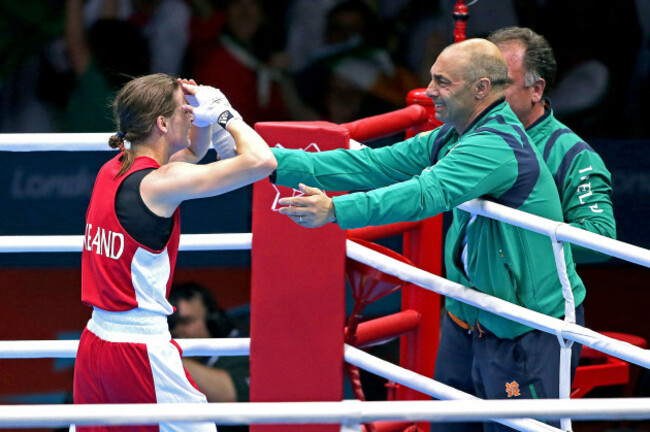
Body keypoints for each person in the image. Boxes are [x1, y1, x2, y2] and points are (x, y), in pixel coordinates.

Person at [272, 38, 586, 432]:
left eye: (443, 82)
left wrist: (336, 210)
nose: (431, 90)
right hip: (471, 319)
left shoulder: (495, 143)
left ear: (481, 88)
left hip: (526, 329)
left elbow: (425, 194)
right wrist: (267, 161)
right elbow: (373, 164)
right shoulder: (454, 134)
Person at [74, 73, 276, 432]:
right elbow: (263, 162)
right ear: (162, 123)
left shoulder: (113, 169)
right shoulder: (161, 184)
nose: (190, 111)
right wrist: (225, 115)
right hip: (139, 348)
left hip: (96, 341)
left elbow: (195, 153)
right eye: (184, 110)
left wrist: (201, 118)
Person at [488, 26, 616, 263]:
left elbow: (601, 239)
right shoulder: (466, 133)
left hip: (526, 300)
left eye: (501, 83)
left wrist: (512, 238)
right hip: (463, 295)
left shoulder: (574, 155)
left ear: (536, 90)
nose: (485, 92)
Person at [168, 282, 250, 432]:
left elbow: (230, 396)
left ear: (212, 321)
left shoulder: (239, 347)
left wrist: (165, 354)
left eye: (186, 322)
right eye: (172, 324)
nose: (177, 331)